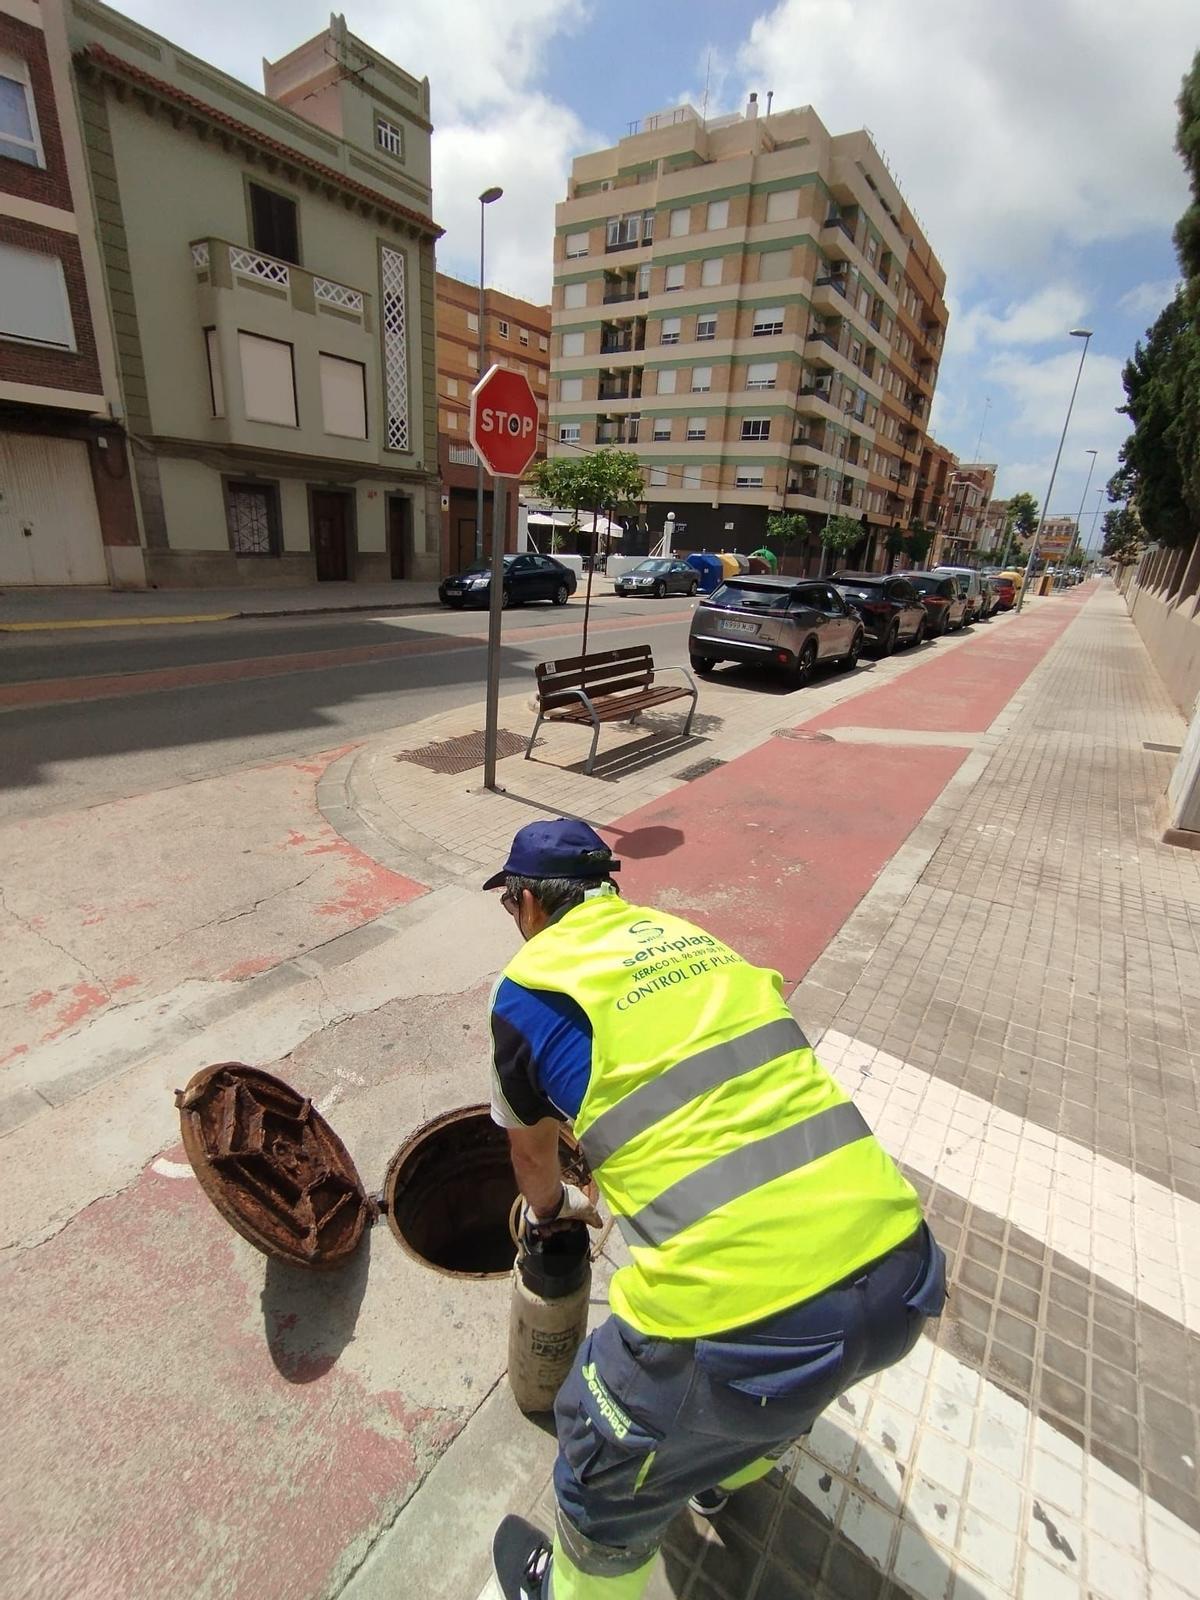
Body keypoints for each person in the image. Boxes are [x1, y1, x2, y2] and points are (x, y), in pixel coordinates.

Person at [485, 818, 946, 1600]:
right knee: (784, 1394)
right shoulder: (693, 939)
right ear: (607, 888)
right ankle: (720, 1470)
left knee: (600, 1463)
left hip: (744, 1326)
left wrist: (553, 1209)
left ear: (526, 901)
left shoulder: (525, 993)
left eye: (510, 907)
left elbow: (532, 1157)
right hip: (902, 1271)